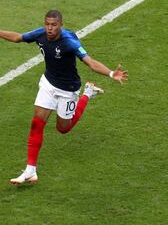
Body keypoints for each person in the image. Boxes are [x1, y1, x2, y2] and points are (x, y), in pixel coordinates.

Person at [0, 10, 128, 185]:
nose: (49, 28)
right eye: (47, 24)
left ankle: (88, 93)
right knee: (37, 123)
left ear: (61, 24)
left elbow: (90, 63)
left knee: (63, 129)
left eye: (53, 25)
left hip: (68, 90)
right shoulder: (40, 34)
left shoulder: (69, 42)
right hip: (48, 84)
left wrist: (111, 73)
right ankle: (30, 170)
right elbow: (17, 38)